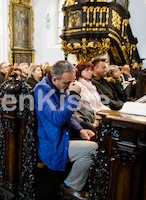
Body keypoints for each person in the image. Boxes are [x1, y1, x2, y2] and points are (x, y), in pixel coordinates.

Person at [34, 60, 98, 200]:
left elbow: (68, 115)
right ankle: (70, 187)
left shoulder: (58, 88)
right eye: (66, 83)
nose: (69, 87)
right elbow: (57, 118)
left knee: (93, 144)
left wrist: (80, 129)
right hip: (51, 143)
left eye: (71, 83)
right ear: (55, 79)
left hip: (61, 137)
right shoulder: (42, 89)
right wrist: (74, 96)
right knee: (92, 149)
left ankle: (71, 184)